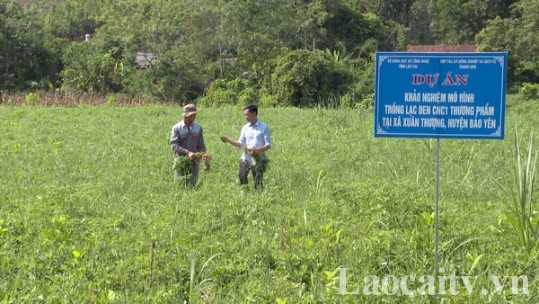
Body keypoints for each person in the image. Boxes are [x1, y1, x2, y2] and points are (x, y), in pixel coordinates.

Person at [221, 104, 271, 189]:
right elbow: (240, 143)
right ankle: (245, 191)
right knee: (241, 175)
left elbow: (268, 145)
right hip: (246, 157)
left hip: (258, 158)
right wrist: (228, 140)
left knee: (258, 183)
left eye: (247, 115)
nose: (245, 117)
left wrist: (257, 150)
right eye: (244, 115)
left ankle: (257, 197)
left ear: (254, 113)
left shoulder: (264, 127)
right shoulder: (245, 128)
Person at [170, 104, 209, 187]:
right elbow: (174, 145)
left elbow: (201, 145)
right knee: (179, 184)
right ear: (186, 115)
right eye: (191, 115)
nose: (193, 117)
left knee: (192, 184)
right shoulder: (177, 128)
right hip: (181, 160)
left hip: (194, 160)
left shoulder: (198, 128)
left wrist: (205, 156)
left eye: (194, 115)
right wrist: (187, 152)